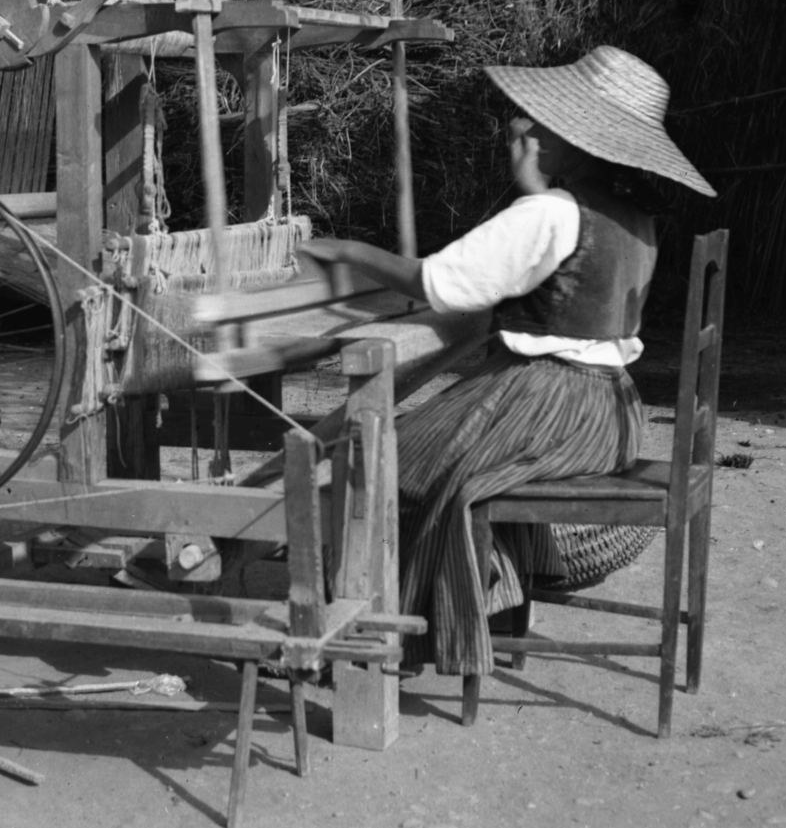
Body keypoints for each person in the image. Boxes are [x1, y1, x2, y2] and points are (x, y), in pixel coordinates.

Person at [298, 46, 716, 677]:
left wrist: (344, 249)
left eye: (536, 124)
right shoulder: (634, 218)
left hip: (548, 408)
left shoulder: (549, 213)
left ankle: (388, 640)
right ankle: (475, 601)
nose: (521, 131)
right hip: (609, 412)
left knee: (380, 459)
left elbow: (435, 283)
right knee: (410, 447)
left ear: (571, 141)